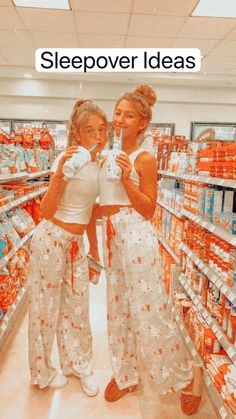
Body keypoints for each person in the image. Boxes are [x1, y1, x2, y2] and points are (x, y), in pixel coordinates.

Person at [98, 85, 203, 415]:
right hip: (112, 235)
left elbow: (147, 209)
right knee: (117, 309)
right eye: (117, 113)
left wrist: (128, 179)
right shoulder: (108, 153)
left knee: (150, 313)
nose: (120, 120)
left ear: (143, 122)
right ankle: (126, 373)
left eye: (128, 115)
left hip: (137, 237)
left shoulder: (144, 157)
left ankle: (185, 378)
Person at [28, 99, 107, 394]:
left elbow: (87, 212)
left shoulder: (101, 166)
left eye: (102, 129)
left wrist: (95, 250)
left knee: (77, 307)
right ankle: (43, 372)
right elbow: (47, 211)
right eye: (90, 130)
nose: (98, 137)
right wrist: (59, 175)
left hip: (76, 245)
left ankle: (80, 366)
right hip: (50, 240)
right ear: (77, 133)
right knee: (45, 309)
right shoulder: (64, 159)